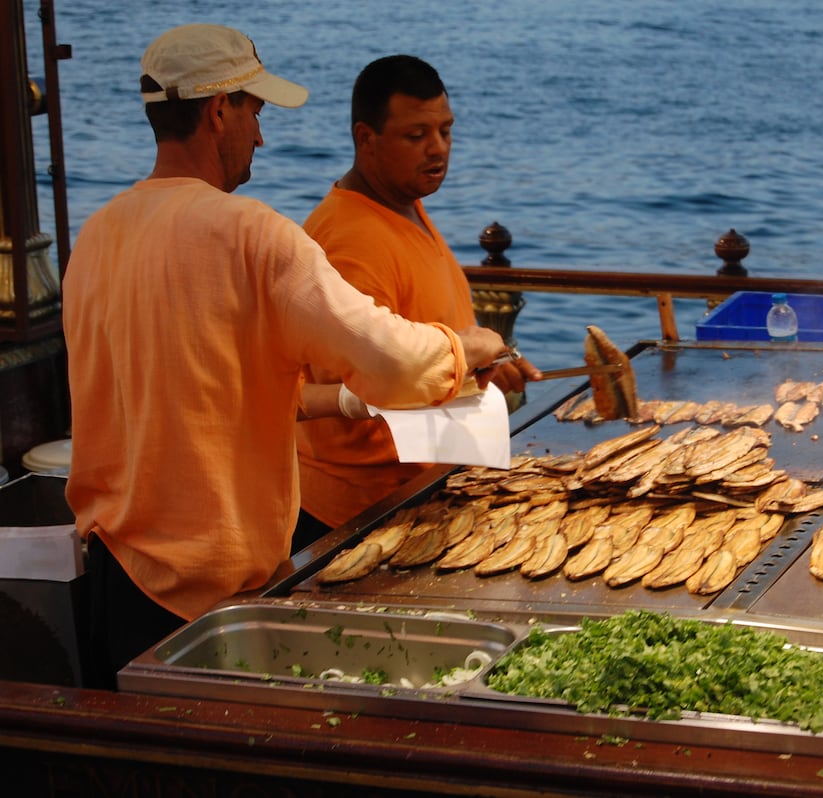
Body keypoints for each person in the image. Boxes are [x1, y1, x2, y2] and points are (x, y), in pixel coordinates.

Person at [62, 24, 509, 688]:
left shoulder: (98, 234)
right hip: (209, 593)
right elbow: (393, 362)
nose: (261, 136)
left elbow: (194, 385)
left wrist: (342, 399)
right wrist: (465, 346)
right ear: (220, 111)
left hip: (112, 574)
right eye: (256, 112)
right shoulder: (254, 236)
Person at [293, 55, 541, 542]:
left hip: (426, 487)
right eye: (416, 135)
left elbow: (422, 341)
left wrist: (478, 368)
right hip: (365, 512)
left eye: (445, 131)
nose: (438, 148)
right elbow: (365, 385)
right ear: (366, 138)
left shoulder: (401, 202)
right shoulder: (351, 240)